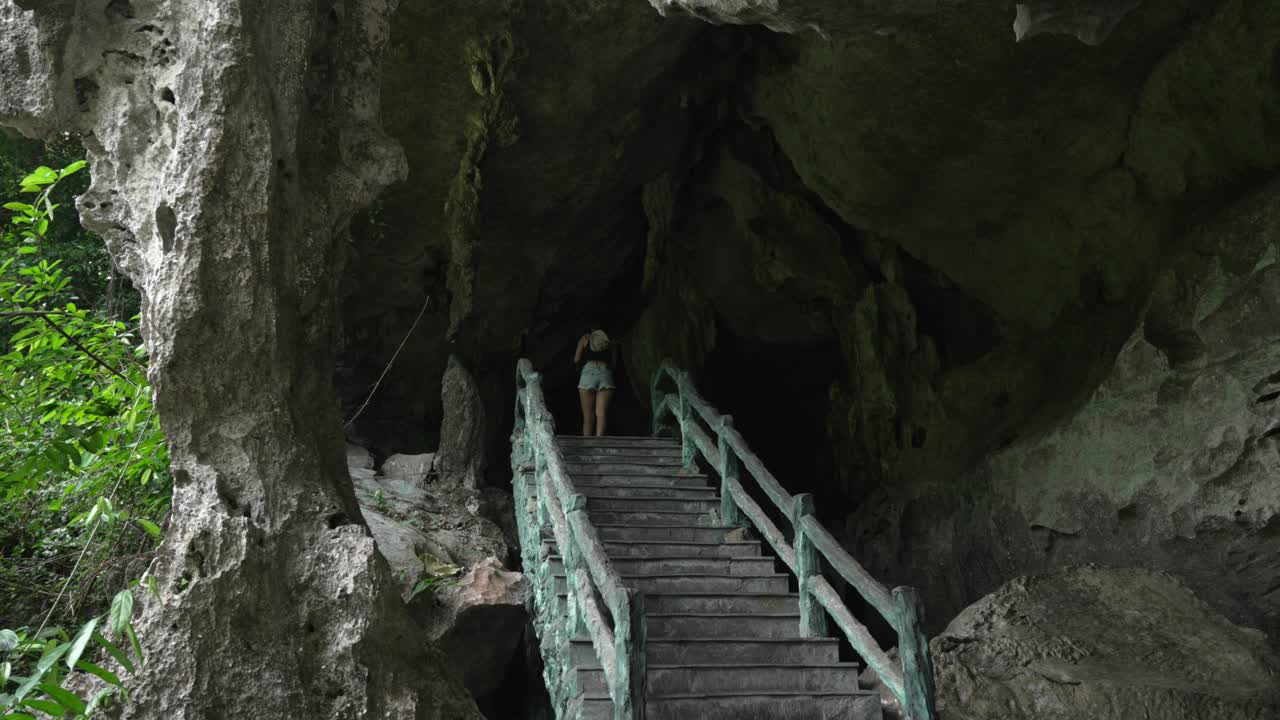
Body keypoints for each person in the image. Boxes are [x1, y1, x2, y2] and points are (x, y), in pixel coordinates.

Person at [574, 327, 617, 436]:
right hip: (605, 374)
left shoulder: (585, 338)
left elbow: (576, 359)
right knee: (601, 413)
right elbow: (614, 364)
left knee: (588, 416)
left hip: (588, 374)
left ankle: (587, 444)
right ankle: (599, 443)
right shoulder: (610, 341)